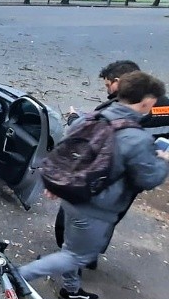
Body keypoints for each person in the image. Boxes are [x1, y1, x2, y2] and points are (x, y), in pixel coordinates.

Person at [19, 71, 169, 299]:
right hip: (95, 209)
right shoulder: (136, 138)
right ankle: (18, 277)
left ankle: (71, 289)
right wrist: (162, 159)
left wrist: (57, 184)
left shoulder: (91, 118)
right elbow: (149, 179)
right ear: (147, 103)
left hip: (71, 197)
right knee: (77, 256)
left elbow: (71, 152)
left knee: (70, 248)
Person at [56, 60, 169, 263]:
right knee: (110, 218)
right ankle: (88, 255)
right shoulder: (164, 105)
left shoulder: (121, 108)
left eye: (108, 85)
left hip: (108, 174)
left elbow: (93, 134)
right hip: (134, 175)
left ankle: (74, 257)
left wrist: (74, 119)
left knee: (80, 216)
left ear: (118, 82)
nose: (108, 90)